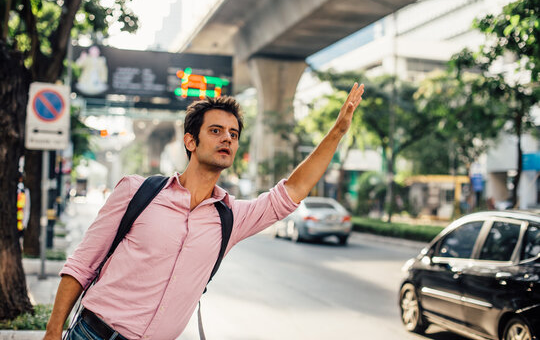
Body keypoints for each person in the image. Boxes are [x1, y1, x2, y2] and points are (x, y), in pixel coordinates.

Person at [44, 83, 365, 340]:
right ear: (190, 141)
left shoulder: (232, 218)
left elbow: (293, 191)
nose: (227, 137)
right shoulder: (135, 191)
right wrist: (53, 331)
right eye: (215, 130)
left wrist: (337, 131)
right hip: (93, 334)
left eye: (233, 134)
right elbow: (81, 265)